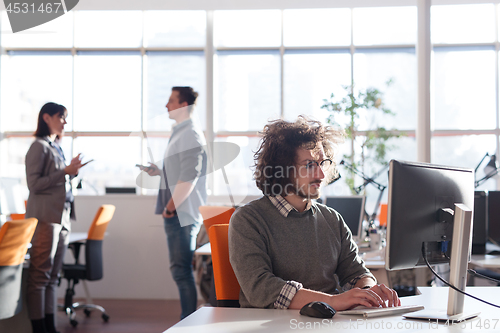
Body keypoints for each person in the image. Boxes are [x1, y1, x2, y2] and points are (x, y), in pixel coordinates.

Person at [228, 116, 401, 310]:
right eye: (309, 165)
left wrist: (367, 291)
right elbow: (261, 289)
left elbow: (355, 272)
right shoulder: (248, 220)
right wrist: (334, 301)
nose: (320, 174)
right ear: (282, 169)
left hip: (328, 322)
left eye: (322, 163)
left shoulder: (332, 219)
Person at [143, 86, 207, 319]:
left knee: (181, 272)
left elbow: (189, 177)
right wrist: (160, 172)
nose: (166, 105)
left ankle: (187, 323)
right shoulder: (181, 132)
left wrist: (170, 208)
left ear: (183, 105)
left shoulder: (189, 134)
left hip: (180, 213)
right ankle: (187, 320)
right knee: (181, 271)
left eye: (171, 100)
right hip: (178, 212)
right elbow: (181, 171)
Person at [25, 102, 83, 333]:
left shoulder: (56, 146)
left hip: (62, 216)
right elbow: (34, 184)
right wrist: (64, 172)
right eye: (61, 117)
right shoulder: (39, 147)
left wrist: (73, 174)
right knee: (40, 276)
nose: (65, 122)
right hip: (45, 217)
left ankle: (50, 326)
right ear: (46, 117)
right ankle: (39, 328)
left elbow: (60, 180)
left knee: (52, 277)